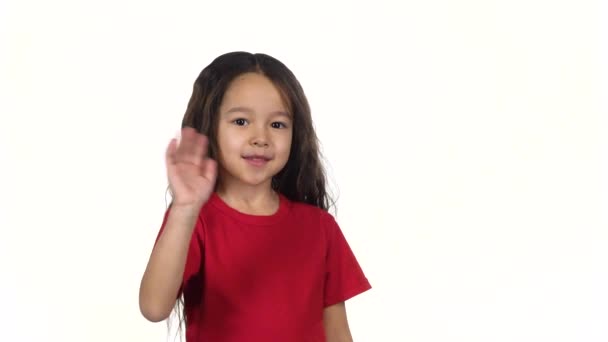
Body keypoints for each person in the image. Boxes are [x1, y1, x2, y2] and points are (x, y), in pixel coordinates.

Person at [139, 51, 371, 341]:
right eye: (241, 121)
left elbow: (337, 332)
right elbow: (153, 307)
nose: (260, 137)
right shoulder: (193, 220)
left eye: (277, 125)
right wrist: (184, 208)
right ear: (210, 126)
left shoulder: (320, 227)